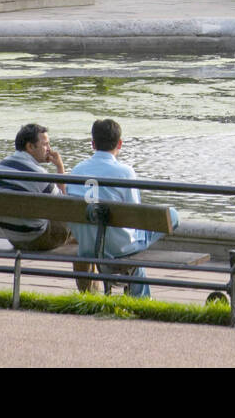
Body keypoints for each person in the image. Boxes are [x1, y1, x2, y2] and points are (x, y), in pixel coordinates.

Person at [65, 119, 179, 298]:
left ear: (93, 143)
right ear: (119, 143)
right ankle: (141, 302)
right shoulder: (125, 172)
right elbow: (136, 214)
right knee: (172, 216)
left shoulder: (77, 170)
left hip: (87, 245)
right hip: (119, 247)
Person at [0, 123, 71, 252]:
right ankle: (87, 271)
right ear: (30, 146)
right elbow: (64, 206)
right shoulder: (39, 174)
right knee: (80, 223)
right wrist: (60, 168)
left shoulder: (0, 167)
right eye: (45, 144)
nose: (49, 149)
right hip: (36, 239)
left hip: (13, 237)